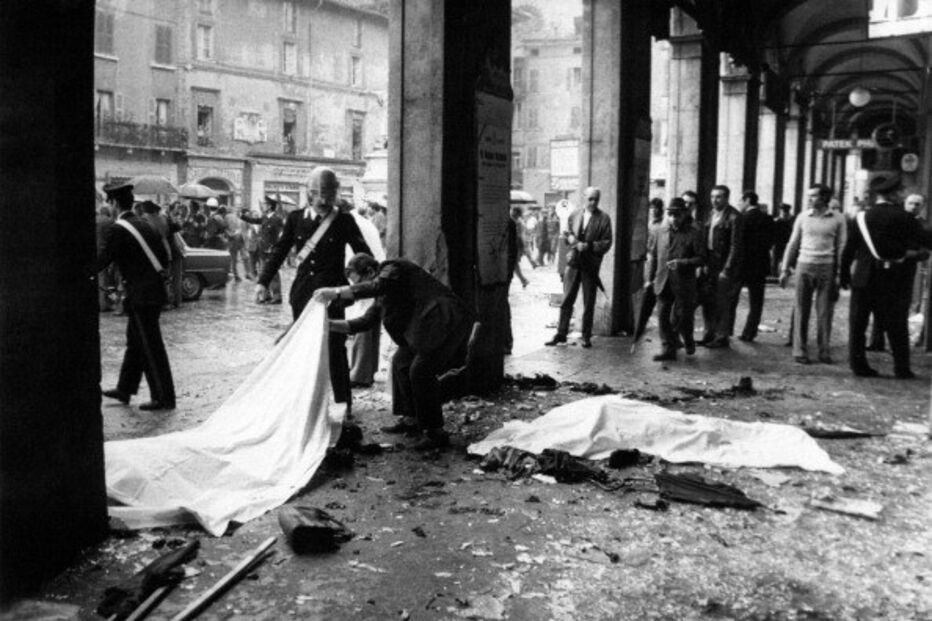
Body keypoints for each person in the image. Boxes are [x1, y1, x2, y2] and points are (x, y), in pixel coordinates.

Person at [315, 253, 475, 450]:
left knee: (420, 371)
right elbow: (364, 323)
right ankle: (412, 418)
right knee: (400, 362)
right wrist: (328, 325)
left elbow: (376, 286)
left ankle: (435, 432)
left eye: (359, 281)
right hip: (426, 331)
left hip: (445, 321)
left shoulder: (393, 267)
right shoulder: (382, 296)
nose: (359, 288)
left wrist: (336, 292)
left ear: (372, 271)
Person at [255, 167, 371, 413]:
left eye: (328, 194)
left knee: (336, 350)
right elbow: (280, 251)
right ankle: (305, 405)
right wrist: (262, 281)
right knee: (303, 350)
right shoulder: (296, 219)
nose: (323, 200)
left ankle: (343, 404)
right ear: (309, 194)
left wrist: (365, 280)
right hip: (303, 295)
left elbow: (363, 254)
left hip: (333, 296)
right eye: (318, 194)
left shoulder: (344, 220)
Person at [98, 182, 176, 411]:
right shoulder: (144, 223)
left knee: (151, 348)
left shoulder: (119, 228)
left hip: (141, 295)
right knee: (135, 342)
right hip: (148, 293)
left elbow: (103, 260)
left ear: (113, 203)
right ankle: (125, 389)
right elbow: (163, 257)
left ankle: (163, 398)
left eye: (108, 203)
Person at [841, 178, 926, 378]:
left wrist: (844, 274)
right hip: (892, 279)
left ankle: (858, 365)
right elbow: (925, 241)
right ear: (894, 194)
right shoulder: (904, 218)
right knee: (896, 324)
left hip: (863, 278)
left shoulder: (861, 217)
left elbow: (849, 250)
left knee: (858, 324)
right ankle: (901, 368)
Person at [779, 184, 847, 364]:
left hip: (827, 268)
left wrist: (840, 273)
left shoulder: (838, 219)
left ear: (825, 198)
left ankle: (824, 351)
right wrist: (785, 268)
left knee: (825, 312)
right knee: (801, 309)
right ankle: (799, 351)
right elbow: (792, 243)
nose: (809, 199)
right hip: (804, 266)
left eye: (814, 196)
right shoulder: (802, 217)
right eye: (809, 196)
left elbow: (841, 247)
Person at [545, 186, 613, 348]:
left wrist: (588, 246)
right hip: (574, 263)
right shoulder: (575, 215)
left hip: (590, 266)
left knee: (588, 302)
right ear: (584, 198)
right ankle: (561, 334)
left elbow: (607, 242)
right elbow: (567, 232)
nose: (593, 202)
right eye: (590, 199)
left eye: (596, 199)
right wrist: (570, 241)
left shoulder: (604, 219)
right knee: (567, 299)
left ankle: (586, 336)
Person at [644, 197, 706, 361]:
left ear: (684, 215)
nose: (673, 219)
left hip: (683, 282)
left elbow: (701, 258)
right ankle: (668, 349)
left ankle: (688, 338)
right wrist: (650, 280)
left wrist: (682, 263)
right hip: (663, 280)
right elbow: (655, 258)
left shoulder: (693, 234)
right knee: (663, 316)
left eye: (677, 215)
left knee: (682, 316)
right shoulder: (660, 232)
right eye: (670, 215)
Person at [341, 199, 386, 388]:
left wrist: (350, 283)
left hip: (362, 272)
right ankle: (363, 371)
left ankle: (360, 373)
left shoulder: (348, 222)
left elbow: (351, 254)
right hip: (366, 270)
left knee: (365, 320)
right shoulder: (364, 221)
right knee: (368, 319)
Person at [698, 185, 743, 348]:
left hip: (723, 263)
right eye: (712, 197)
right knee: (707, 300)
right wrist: (702, 262)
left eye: (718, 197)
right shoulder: (710, 214)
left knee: (723, 301)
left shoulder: (734, 217)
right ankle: (709, 333)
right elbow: (704, 239)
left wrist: (727, 269)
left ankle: (722, 336)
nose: (714, 200)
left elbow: (735, 246)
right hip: (709, 261)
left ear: (726, 198)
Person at [735, 190, 773, 342]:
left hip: (743, 264)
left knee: (732, 298)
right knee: (756, 301)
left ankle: (724, 332)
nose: (739, 204)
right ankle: (749, 332)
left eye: (740, 201)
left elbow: (738, 243)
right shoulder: (767, 218)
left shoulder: (742, 219)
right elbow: (771, 241)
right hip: (760, 264)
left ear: (748, 200)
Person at [241, 196, 285, 303]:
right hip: (263, 250)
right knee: (263, 272)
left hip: (271, 250)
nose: (263, 206)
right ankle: (266, 295)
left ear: (270, 206)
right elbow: (254, 220)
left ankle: (277, 296)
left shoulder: (277, 219)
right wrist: (242, 216)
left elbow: (280, 234)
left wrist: (274, 246)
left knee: (273, 273)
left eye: (265, 204)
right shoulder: (265, 217)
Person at [96, 205, 115, 312]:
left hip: (96, 250)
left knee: (99, 277)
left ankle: (101, 302)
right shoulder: (110, 221)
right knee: (104, 277)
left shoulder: (96, 220)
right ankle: (103, 304)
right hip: (106, 252)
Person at [223, 206, 245, 282]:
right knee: (234, 259)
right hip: (236, 239)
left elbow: (225, 228)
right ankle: (235, 275)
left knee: (233, 259)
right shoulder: (234, 217)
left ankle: (233, 275)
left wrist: (230, 234)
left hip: (233, 240)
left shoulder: (227, 217)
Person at [771, 203, 794, 277]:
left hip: (786, 242)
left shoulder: (791, 220)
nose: (783, 212)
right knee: (776, 259)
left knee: (785, 257)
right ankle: (774, 273)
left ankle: (785, 271)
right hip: (778, 243)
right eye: (782, 210)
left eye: (785, 211)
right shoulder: (777, 221)